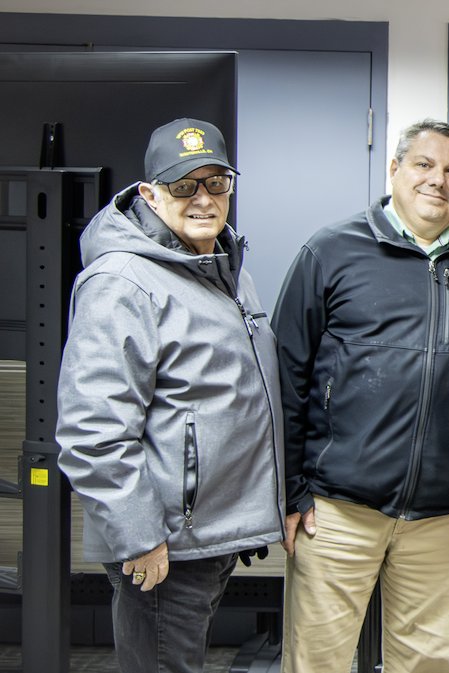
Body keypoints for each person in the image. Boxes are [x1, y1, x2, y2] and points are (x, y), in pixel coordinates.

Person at [272, 119, 449, 673]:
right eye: (425, 165)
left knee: (426, 663)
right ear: (395, 170)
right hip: (337, 511)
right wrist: (289, 490)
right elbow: (286, 377)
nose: (439, 180)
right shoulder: (331, 251)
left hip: (445, 516)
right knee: (317, 661)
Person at [56, 117, 283, 673]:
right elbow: (93, 429)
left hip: (206, 533)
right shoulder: (123, 283)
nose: (203, 198)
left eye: (216, 182)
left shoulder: (225, 271)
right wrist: (137, 536)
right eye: (184, 186)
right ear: (151, 195)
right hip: (162, 542)